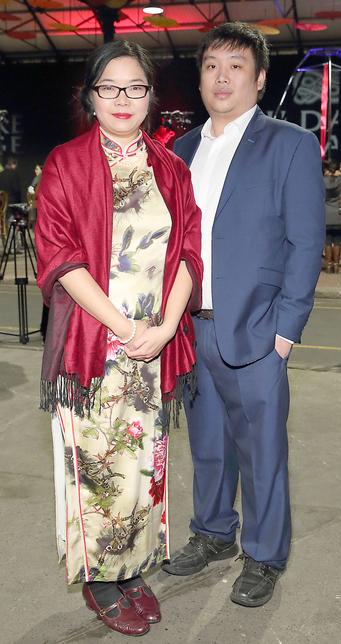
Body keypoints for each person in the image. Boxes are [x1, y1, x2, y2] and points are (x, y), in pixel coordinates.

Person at [35, 40, 202, 637]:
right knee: (96, 464)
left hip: (154, 345)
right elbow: (60, 256)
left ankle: (132, 570)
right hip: (95, 344)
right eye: (111, 88)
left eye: (136, 87)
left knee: (143, 463)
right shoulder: (66, 163)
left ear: (151, 96)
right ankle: (100, 579)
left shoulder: (171, 169)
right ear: (91, 97)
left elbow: (187, 252)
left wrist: (161, 329)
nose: (123, 98)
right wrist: (128, 327)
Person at [162, 22, 325, 608]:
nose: (222, 76)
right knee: (206, 444)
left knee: (261, 452)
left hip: (257, 332)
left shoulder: (290, 144)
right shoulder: (178, 151)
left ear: (259, 80)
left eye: (236, 66)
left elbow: (307, 244)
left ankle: (263, 553)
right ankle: (211, 533)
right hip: (190, 328)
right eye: (211, 66)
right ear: (201, 78)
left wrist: (286, 331)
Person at [323, 160, 341, 273]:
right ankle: (336, 266)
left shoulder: (322, 181)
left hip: (326, 215)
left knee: (327, 242)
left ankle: (328, 265)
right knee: (337, 241)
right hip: (338, 214)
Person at [27, 163, 42, 227]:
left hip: (37, 202)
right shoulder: (47, 178)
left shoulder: (38, 177)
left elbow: (31, 188)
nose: (35, 171)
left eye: (37, 169)